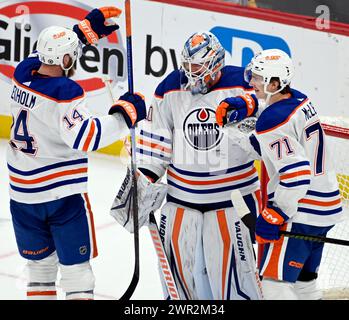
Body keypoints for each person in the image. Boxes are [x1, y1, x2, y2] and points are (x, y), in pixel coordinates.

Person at [111, 31, 263, 300]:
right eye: (188, 66)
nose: (192, 74)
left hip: (232, 201)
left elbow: (269, 123)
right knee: (181, 280)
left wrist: (251, 111)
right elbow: (158, 139)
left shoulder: (244, 84)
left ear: (216, 63)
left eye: (199, 67)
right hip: (181, 200)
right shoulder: (170, 88)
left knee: (235, 281)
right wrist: (144, 179)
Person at [7, 7, 146, 300]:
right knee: (77, 274)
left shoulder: (22, 73)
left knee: (40, 272)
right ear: (66, 59)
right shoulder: (64, 91)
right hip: (61, 198)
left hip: (22, 197)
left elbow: (44, 54)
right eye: (73, 55)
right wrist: (125, 115)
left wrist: (81, 34)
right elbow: (87, 136)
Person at [215, 49, 343, 299]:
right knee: (304, 285)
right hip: (325, 209)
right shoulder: (300, 99)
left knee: (274, 284)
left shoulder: (271, 121)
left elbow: (296, 174)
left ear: (275, 83)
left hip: (300, 211)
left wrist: (277, 212)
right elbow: (269, 142)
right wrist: (246, 108)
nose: (251, 82)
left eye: (258, 78)